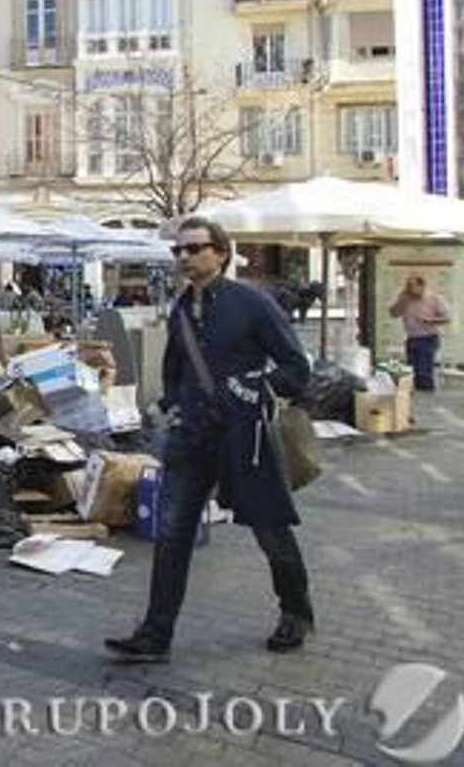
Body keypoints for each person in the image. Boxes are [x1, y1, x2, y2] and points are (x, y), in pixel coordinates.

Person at [105, 217, 313, 664]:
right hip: (192, 439)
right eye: (178, 251)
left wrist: (255, 387)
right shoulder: (181, 307)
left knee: (270, 529)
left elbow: (297, 368)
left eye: (194, 248)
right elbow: (176, 367)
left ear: (220, 252)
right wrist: (174, 406)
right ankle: (155, 634)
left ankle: (296, 611)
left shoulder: (252, 304)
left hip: (246, 438)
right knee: (172, 534)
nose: (184, 257)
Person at [389, 275, 451, 392]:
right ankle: (417, 403)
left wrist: (431, 320)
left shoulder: (435, 298)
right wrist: (401, 300)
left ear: (421, 286)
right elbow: (393, 313)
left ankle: (428, 401)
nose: (409, 289)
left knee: (424, 372)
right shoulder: (406, 299)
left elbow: (447, 318)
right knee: (412, 373)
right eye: (407, 286)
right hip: (412, 339)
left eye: (412, 286)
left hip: (428, 338)